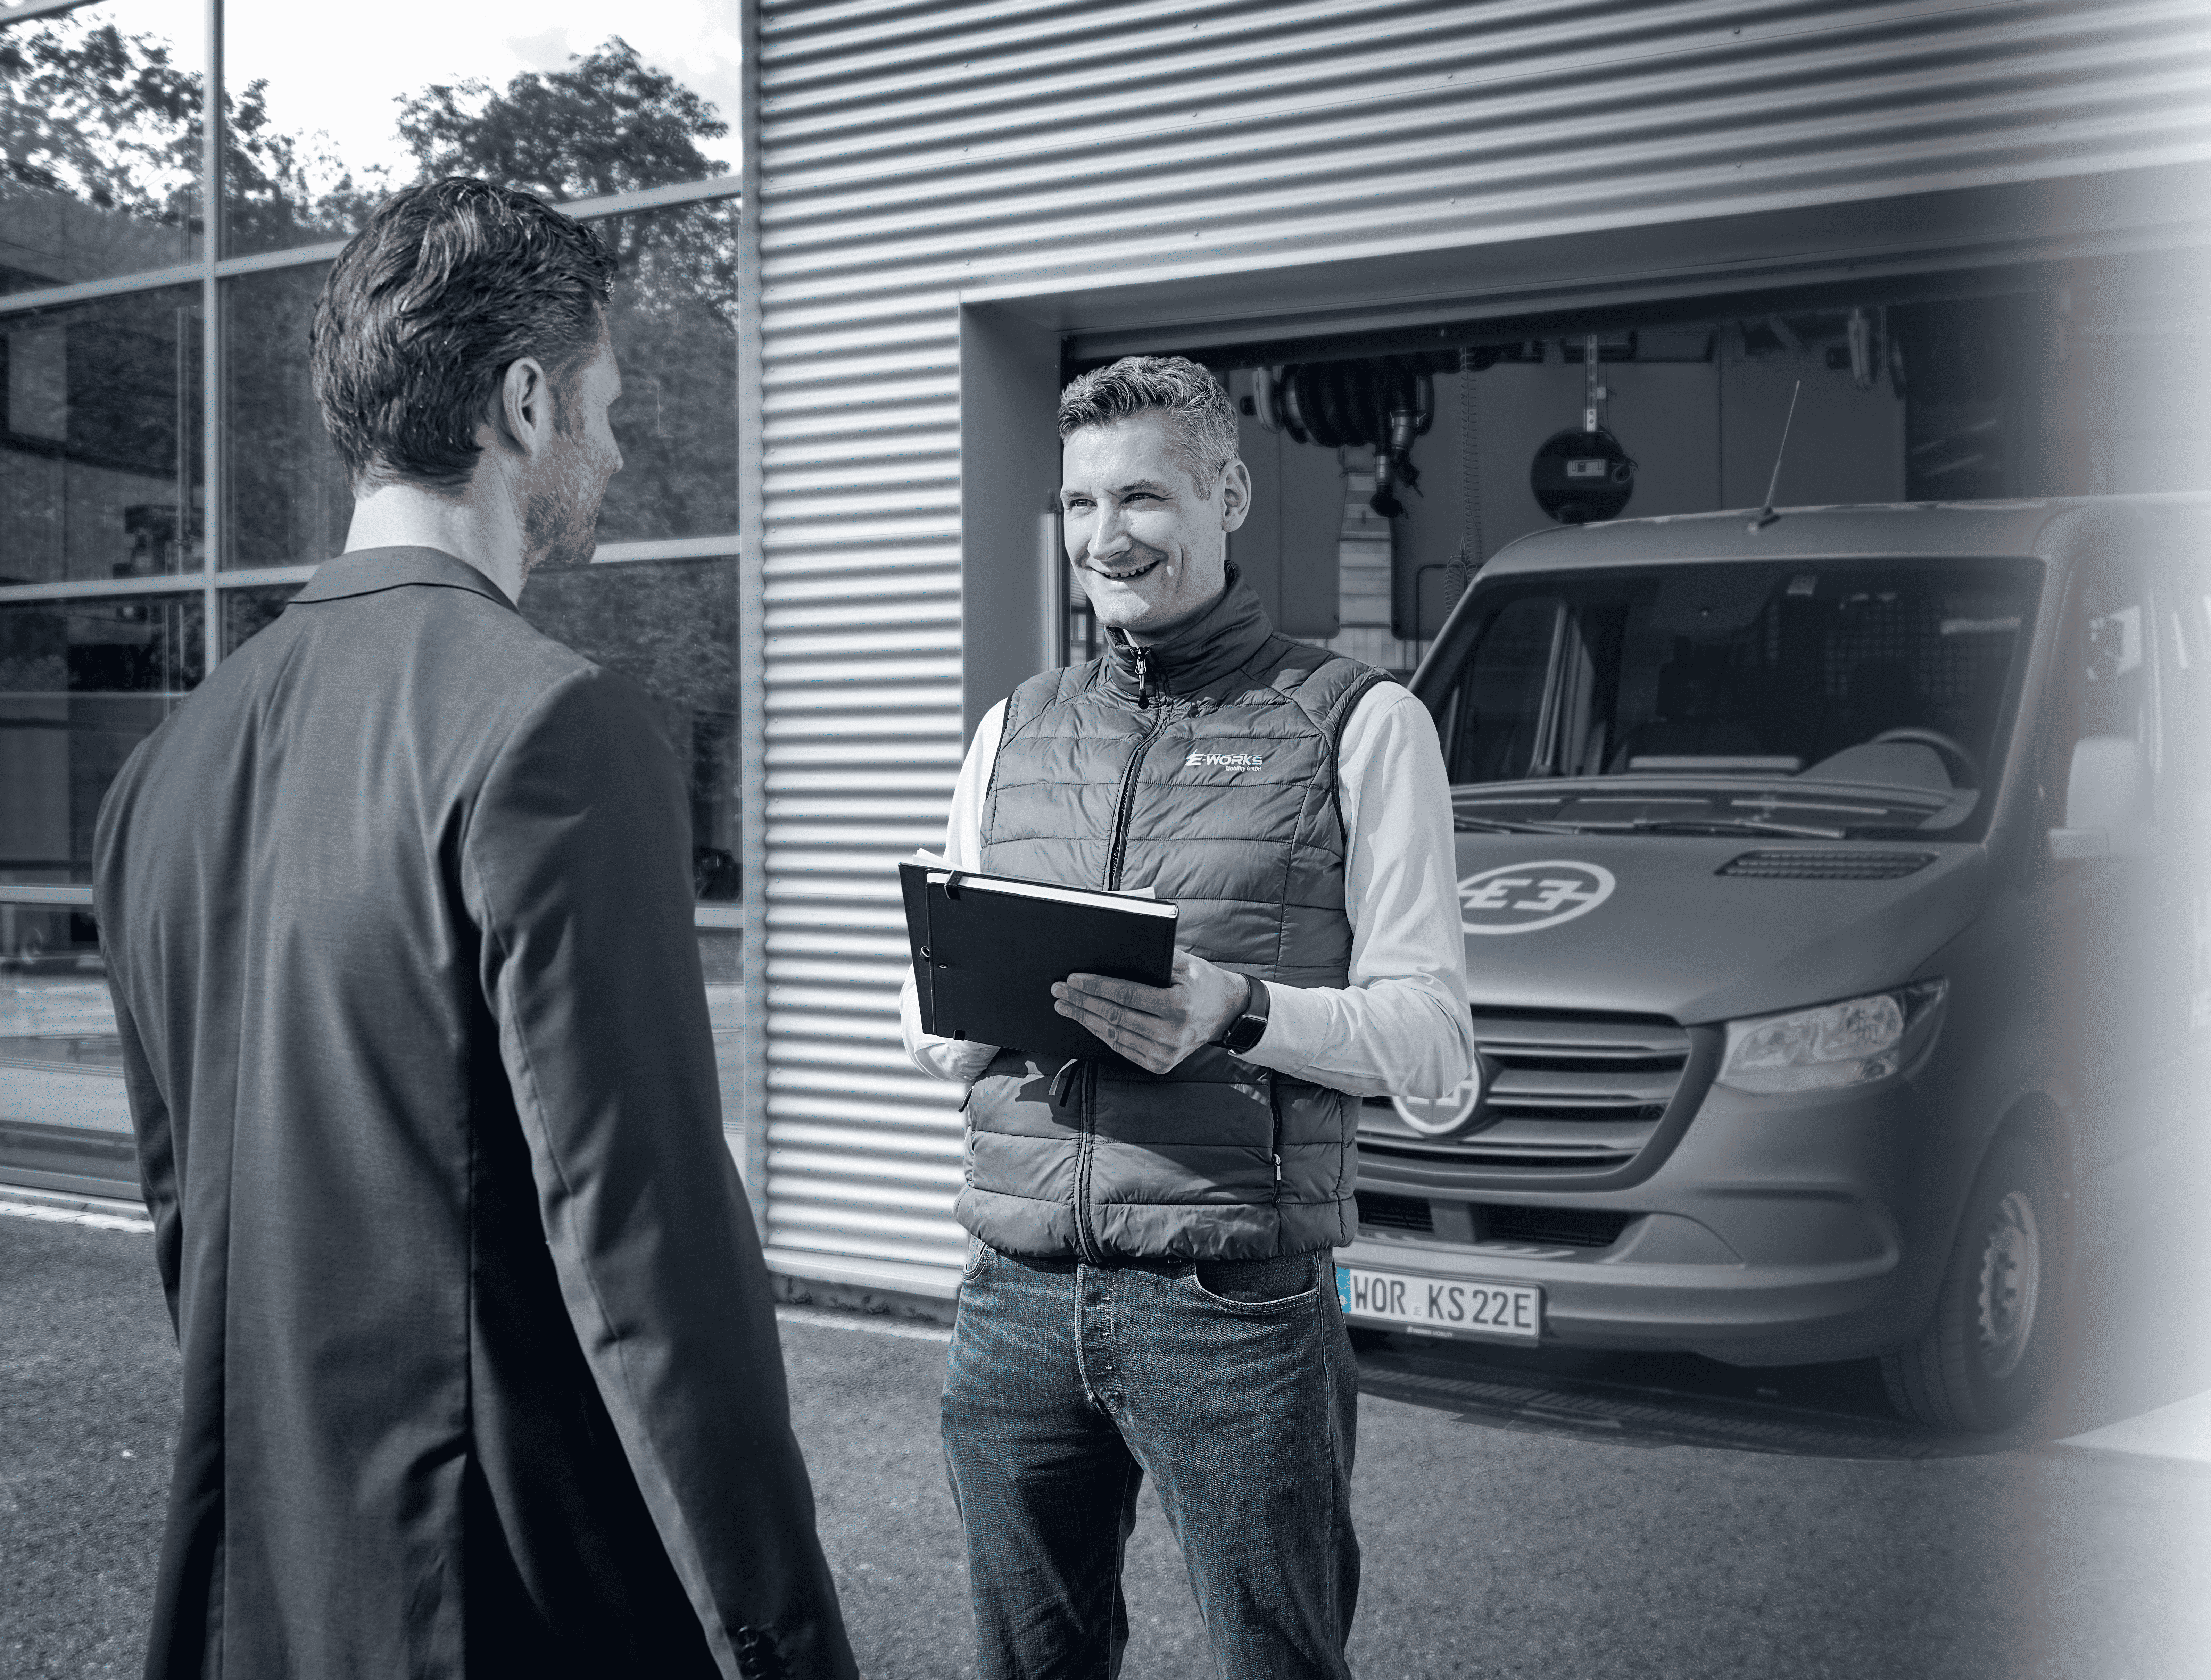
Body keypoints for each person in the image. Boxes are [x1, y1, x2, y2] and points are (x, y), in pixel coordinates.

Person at [92, 179, 855, 1680]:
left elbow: (197, 1232)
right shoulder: (550, 729)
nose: (621, 450)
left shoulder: (160, 770)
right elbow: (651, 1264)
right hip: (506, 1604)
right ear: (523, 402)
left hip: (268, 1591)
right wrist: (784, 1637)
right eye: (609, 407)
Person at [900, 355, 1475, 1679]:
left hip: (1236, 1302)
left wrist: (1244, 1010)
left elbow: (1436, 1042)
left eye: (1144, 497)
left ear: (1228, 494)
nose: (1108, 537)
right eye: (1081, 503)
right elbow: (928, 1021)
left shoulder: (1363, 725)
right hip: (1015, 1294)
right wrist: (967, 1006)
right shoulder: (1011, 731)